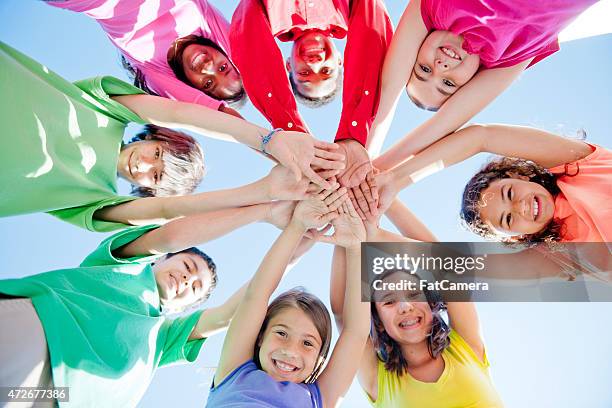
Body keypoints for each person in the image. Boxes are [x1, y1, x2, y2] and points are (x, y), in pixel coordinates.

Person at [1, 41, 345, 231]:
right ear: (154, 138)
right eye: (159, 155)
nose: (146, 164)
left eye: (157, 175)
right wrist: (268, 140)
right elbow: (183, 114)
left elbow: (171, 208)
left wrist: (265, 194)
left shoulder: (97, 201)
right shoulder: (110, 109)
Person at [0, 202, 273, 407]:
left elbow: (230, 313)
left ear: (184, 307)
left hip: (59, 397)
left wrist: (295, 242)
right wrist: (265, 211)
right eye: (188, 267)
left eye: (195, 288)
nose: (188, 280)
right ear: (162, 259)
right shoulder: (127, 264)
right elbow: (170, 237)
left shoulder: (164, 337)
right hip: (40, 333)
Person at [367, 0, 597, 167]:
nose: (440, 67)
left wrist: (365, 158)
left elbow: (387, 91)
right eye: (447, 83)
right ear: (471, 85)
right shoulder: (512, 53)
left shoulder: (433, 9)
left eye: (424, 68)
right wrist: (377, 172)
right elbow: (445, 123)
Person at [206, 187, 371, 407]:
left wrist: (356, 247)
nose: (290, 350)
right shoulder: (234, 373)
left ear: (319, 359)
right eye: (282, 333)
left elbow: (356, 333)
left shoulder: (318, 398)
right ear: (261, 336)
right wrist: (297, 225)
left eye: (307, 343)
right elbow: (257, 294)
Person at [329, 211, 503, 407]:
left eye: (413, 294)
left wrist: (385, 203)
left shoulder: (465, 346)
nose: (405, 307)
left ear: (430, 304)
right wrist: (346, 229)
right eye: (389, 301)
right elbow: (344, 314)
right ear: (378, 322)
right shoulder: (378, 380)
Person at [351, 124, 611, 245]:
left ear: (519, 176)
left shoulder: (579, 166)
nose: (520, 207)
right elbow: (447, 265)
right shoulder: (566, 256)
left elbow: (481, 137)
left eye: (509, 193)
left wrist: (396, 179)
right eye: (507, 219)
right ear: (519, 236)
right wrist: (377, 216)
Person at [230, 0, 394, 188]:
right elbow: (371, 36)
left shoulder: (265, 12)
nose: (315, 63)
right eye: (326, 71)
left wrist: (291, 130)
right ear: (340, 61)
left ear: (289, 65)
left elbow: (250, 43)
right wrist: (353, 133)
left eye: (304, 74)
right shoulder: (351, 7)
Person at [45, 0, 246, 117]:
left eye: (208, 83)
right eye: (223, 68)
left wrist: (270, 147)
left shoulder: (155, 70)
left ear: (194, 88)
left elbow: (218, 116)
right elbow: (249, 54)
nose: (208, 68)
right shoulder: (206, 22)